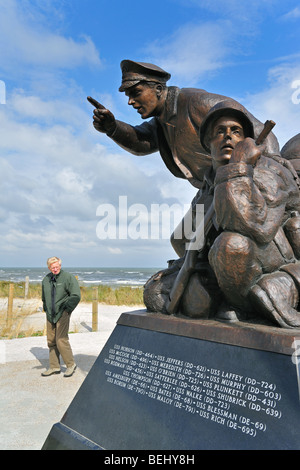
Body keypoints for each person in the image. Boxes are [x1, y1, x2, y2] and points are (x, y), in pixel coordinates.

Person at [88, 60, 279, 255]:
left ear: (158, 89)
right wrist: (112, 128)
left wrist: (272, 176)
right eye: (128, 96)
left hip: (236, 182)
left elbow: (264, 133)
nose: (131, 102)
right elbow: (140, 142)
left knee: (217, 244)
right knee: (181, 241)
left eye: (136, 93)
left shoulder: (197, 102)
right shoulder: (160, 122)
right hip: (210, 187)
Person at [144, 101, 300, 328]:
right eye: (220, 132)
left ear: (247, 141)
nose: (228, 137)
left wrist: (238, 167)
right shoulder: (207, 185)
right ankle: (227, 296)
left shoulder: (270, 172)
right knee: (157, 294)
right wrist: (190, 265)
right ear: (208, 144)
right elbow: (182, 239)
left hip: (268, 261)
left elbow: (253, 226)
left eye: (236, 131)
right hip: (221, 268)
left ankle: (245, 305)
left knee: (232, 245)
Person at [41, 257, 81, 377]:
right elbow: (44, 297)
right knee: (51, 341)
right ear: (49, 268)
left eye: (57, 266)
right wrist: (46, 309)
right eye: (53, 267)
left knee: (61, 340)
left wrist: (67, 310)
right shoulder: (46, 279)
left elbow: (76, 295)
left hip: (63, 313)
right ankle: (54, 367)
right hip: (50, 314)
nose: (55, 269)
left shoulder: (68, 277)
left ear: (60, 265)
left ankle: (70, 365)